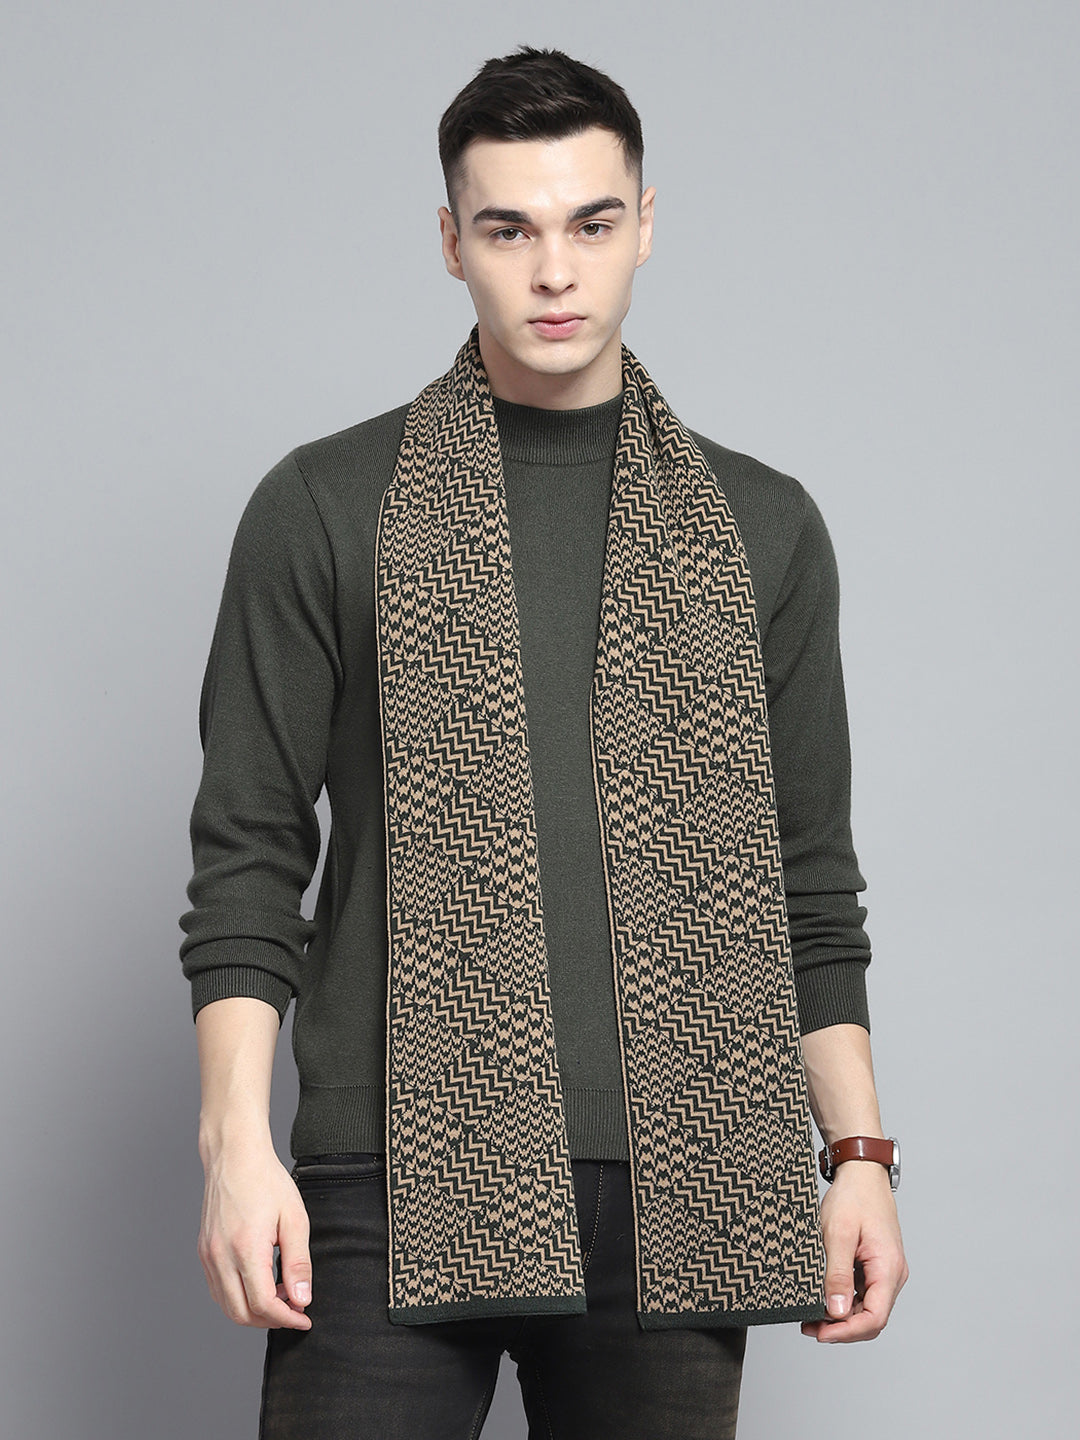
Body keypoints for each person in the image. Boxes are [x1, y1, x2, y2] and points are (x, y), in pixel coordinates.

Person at [181, 45, 908, 1440]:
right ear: (451, 240)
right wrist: (233, 1148)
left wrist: (860, 1152)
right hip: (385, 1176)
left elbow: (808, 879)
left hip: (689, 1179)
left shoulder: (761, 527)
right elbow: (249, 862)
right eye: (509, 229)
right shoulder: (326, 505)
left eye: (592, 223)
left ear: (648, 224)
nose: (555, 271)